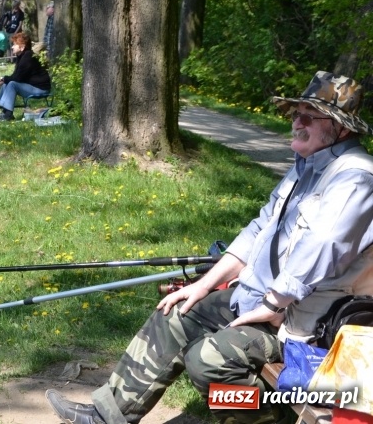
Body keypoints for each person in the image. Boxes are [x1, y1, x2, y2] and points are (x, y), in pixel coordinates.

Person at [45, 71, 373, 424]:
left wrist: (273, 301)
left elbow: (324, 245)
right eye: (295, 114)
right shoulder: (308, 166)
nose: (297, 123)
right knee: (178, 310)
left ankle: (264, 418)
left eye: (308, 116)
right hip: (263, 303)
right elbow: (259, 229)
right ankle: (105, 417)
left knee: (209, 360)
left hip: (307, 327)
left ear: (341, 128)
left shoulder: (354, 176)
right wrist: (200, 287)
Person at [0, 32, 52, 122]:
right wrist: (3, 79)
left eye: (14, 44)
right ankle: (4, 112)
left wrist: (3, 79)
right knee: (7, 83)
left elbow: (17, 79)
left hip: (40, 89)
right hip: (32, 86)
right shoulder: (22, 56)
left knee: (12, 84)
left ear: (22, 46)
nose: (12, 47)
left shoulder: (28, 57)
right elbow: (15, 75)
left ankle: (8, 115)